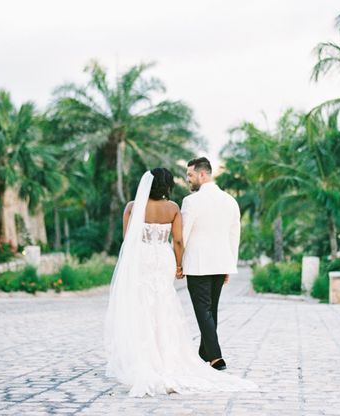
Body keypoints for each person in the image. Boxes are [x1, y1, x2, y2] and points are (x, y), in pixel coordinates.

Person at [104, 168, 257, 397]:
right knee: (163, 302)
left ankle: (143, 356)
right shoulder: (173, 208)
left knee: (141, 303)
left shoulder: (132, 207)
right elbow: (177, 240)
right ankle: (171, 356)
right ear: (167, 185)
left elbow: (128, 240)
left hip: (142, 259)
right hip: (162, 259)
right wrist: (178, 265)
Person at [181, 157, 241, 371]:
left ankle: (216, 358)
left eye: (190, 175)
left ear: (202, 174)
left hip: (197, 263)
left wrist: (178, 262)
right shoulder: (230, 201)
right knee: (211, 309)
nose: (188, 179)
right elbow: (234, 236)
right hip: (220, 262)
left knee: (203, 310)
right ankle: (203, 353)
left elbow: (182, 234)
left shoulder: (191, 202)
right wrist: (229, 265)